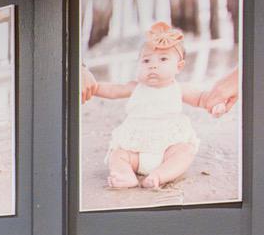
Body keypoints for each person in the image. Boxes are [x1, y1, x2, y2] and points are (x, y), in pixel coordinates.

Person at [79, 21, 231, 190]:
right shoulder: (135, 87)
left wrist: (217, 105)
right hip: (136, 149)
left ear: (179, 66)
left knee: (185, 151)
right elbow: (113, 90)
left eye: (163, 59)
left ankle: (159, 175)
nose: (153, 65)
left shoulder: (179, 89)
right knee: (118, 155)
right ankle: (125, 175)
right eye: (146, 60)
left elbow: (203, 99)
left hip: (168, 148)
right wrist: (91, 87)